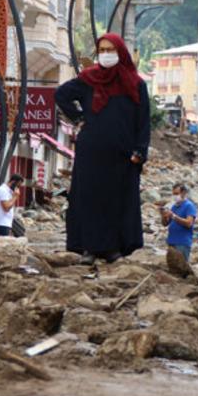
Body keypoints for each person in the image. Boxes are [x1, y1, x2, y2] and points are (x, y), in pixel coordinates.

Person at [55, 33, 150, 265]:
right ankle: (87, 248)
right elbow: (61, 95)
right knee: (89, 198)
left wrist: (140, 150)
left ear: (121, 52)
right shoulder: (89, 79)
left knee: (116, 200)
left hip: (122, 155)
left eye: (111, 50)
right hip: (91, 152)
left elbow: (143, 121)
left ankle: (112, 248)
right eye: (102, 50)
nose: (106, 54)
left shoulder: (136, 84)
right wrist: (78, 118)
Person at [161, 183, 197, 262]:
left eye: (177, 194)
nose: (175, 196)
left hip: (182, 243)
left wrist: (173, 216)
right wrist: (163, 215)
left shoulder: (189, 206)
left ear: (183, 193)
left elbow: (189, 223)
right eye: (173, 194)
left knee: (181, 266)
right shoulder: (174, 206)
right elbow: (165, 224)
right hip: (171, 241)